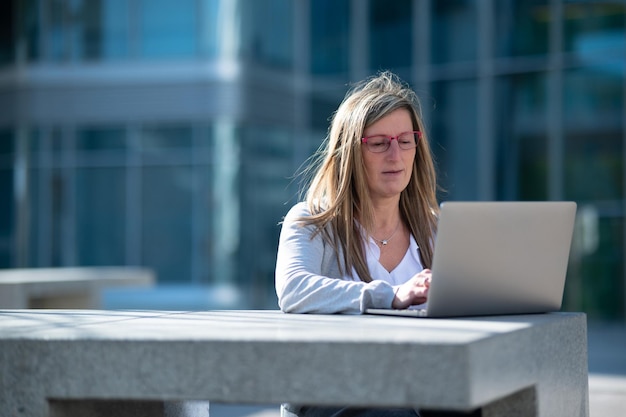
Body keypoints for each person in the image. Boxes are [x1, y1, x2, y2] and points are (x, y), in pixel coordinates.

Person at [274, 71, 440, 417]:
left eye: (405, 140)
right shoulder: (310, 221)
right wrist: (391, 296)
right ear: (349, 154)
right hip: (334, 391)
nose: (395, 155)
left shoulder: (434, 230)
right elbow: (294, 288)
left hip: (421, 385)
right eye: (379, 143)